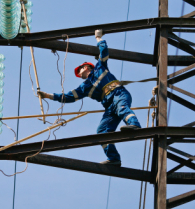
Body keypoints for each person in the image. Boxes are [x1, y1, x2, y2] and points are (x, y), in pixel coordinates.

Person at [38, 29, 141, 166]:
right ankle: (114, 159)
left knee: (122, 109)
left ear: (86, 67)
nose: (78, 73)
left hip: (118, 93)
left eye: (79, 70)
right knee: (102, 131)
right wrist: (48, 96)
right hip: (109, 106)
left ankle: (134, 124)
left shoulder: (100, 67)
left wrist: (98, 38)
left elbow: (104, 51)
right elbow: (68, 97)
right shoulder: (85, 87)